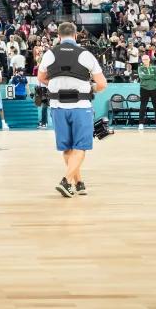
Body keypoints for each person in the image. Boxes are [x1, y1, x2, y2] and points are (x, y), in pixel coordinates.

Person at [37, 21, 107, 198]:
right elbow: (102, 84)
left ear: (58, 37)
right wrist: (90, 88)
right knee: (80, 147)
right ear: (76, 36)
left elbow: (41, 78)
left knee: (67, 148)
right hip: (81, 107)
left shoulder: (49, 54)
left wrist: (57, 84)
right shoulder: (86, 54)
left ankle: (78, 183)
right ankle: (66, 180)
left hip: (58, 107)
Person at [137, 53, 156, 130]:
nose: (145, 61)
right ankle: (141, 124)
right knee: (143, 106)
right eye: (144, 59)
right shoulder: (140, 68)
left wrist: (147, 76)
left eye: (146, 59)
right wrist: (151, 76)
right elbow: (142, 76)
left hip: (154, 88)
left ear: (149, 60)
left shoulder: (154, 67)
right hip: (144, 88)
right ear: (142, 60)